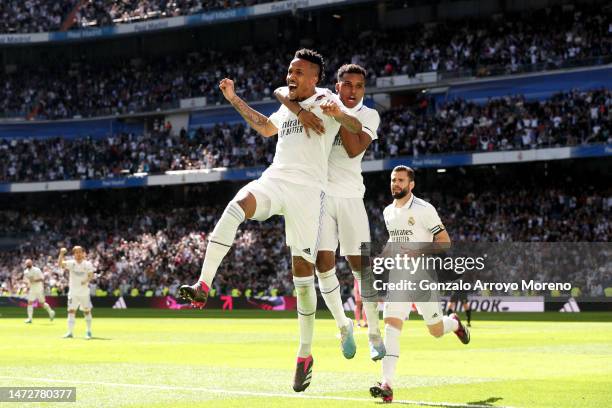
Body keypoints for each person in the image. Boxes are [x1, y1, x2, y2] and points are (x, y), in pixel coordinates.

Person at [179, 49, 362, 392]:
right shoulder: (286, 101)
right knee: (236, 206)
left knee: (303, 278)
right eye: (289, 70)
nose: (290, 75)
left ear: (315, 78)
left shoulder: (328, 100)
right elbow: (265, 127)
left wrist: (341, 113)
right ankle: (203, 284)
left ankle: (305, 354)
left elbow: (354, 124)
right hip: (275, 179)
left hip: (310, 193)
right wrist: (234, 99)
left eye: (298, 72)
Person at [274, 63, 384, 361]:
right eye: (346, 85)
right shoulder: (321, 100)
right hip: (319, 196)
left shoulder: (369, 115)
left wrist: (338, 114)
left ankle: (374, 333)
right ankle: (344, 325)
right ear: (336, 85)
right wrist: (299, 108)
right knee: (323, 264)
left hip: (350, 198)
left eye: (359, 86)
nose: (352, 91)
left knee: (362, 266)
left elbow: (353, 149)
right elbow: (284, 92)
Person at [370, 166, 470, 403]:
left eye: (400, 180)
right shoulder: (388, 212)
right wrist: (380, 260)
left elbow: (444, 241)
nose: (395, 184)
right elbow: (394, 242)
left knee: (435, 330)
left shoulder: (425, 209)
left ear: (411, 184)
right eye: (393, 180)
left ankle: (453, 323)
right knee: (391, 327)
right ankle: (387, 384)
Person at [58, 246, 95, 340]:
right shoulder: (71, 263)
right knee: (71, 311)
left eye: (80, 252)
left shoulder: (87, 264)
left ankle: (88, 331)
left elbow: (91, 275)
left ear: (83, 253)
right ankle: (70, 332)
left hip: (84, 292)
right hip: (73, 292)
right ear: (74, 254)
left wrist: (86, 280)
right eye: (76, 252)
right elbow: (60, 264)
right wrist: (61, 254)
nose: (78, 254)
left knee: (87, 311)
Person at [22, 259, 55, 323]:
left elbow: (42, 278)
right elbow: (26, 280)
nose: (28, 264)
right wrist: (26, 286)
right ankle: (30, 319)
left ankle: (51, 312)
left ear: (31, 263)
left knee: (42, 303)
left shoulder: (37, 270)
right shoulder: (25, 272)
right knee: (30, 302)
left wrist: (34, 280)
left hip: (39, 288)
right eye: (27, 263)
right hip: (32, 289)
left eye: (29, 263)